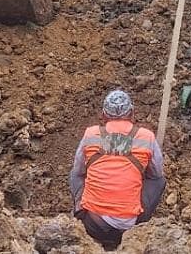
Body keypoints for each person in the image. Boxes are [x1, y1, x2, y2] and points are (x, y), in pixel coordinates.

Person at [69, 90, 167, 251]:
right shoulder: (146, 137)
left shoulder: (91, 134)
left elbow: (78, 170)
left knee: (75, 175)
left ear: (103, 115)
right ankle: (141, 226)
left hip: (93, 225)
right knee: (158, 181)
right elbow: (156, 174)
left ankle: (80, 210)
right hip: (130, 227)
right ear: (132, 113)